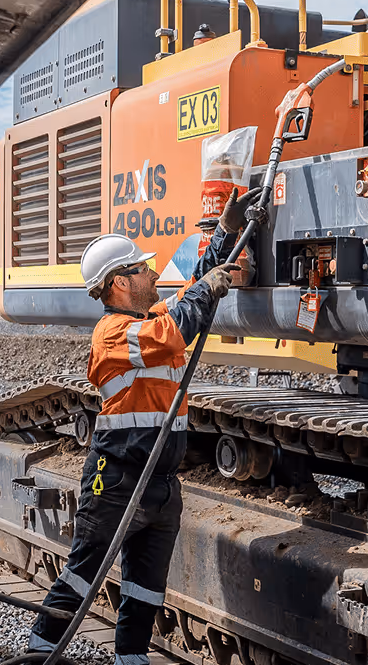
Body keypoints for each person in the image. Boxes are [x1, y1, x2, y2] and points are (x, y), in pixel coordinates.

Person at [24, 191, 255, 664]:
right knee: (81, 576)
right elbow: (183, 320)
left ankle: (131, 660)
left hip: (160, 484)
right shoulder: (114, 332)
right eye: (143, 267)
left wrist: (226, 234)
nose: (152, 272)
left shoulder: (150, 317)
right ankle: (39, 656)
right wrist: (206, 288)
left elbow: (195, 288)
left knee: (146, 591)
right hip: (117, 480)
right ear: (119, 284)